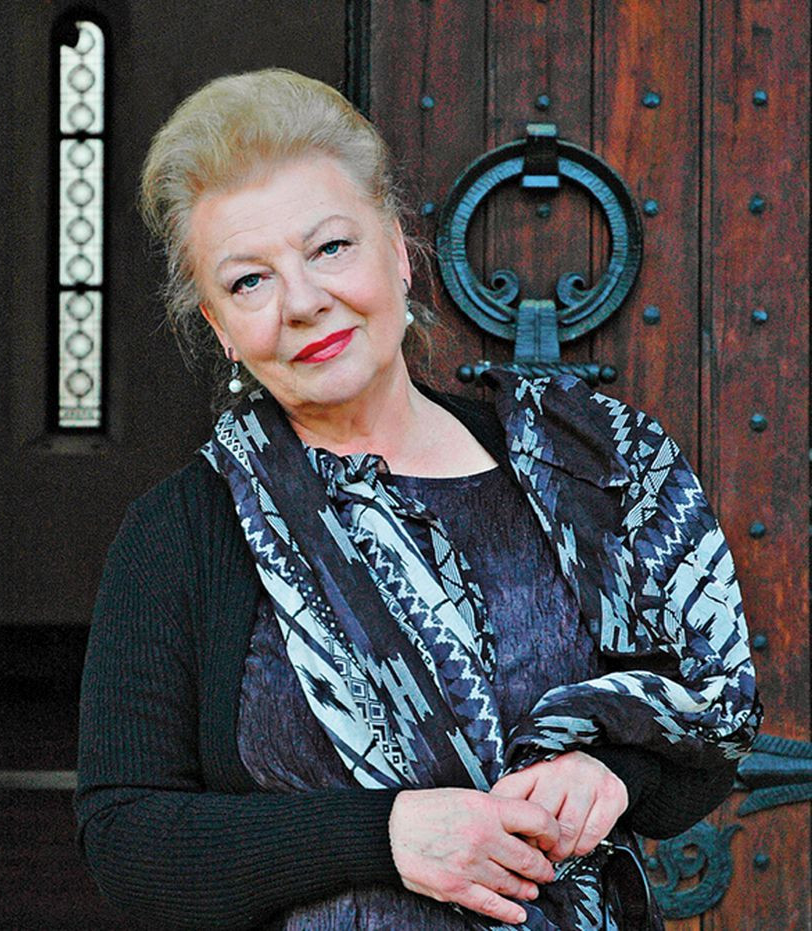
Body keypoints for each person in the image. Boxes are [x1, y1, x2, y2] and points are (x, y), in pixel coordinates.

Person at [74, 69, 761, 930]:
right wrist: (386, 834)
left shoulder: (581, 465)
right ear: (220, 328)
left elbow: (705, 722)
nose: (303, 302)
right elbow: (126, 837)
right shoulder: (183, 530)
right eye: (249, 281)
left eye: (331, 248)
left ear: (399, 251)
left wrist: (614, 775)